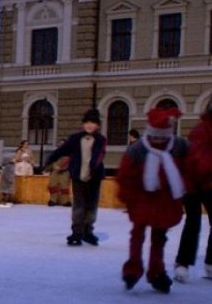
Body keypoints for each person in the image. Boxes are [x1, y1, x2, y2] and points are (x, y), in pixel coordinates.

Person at [117, 107, 189, 293]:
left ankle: (156, 272)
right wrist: (128, 197)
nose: (158, 140)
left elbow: (189, 169)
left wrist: (187, 189)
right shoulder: (138, 150)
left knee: (159, 237)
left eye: (162, 137)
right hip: (142, 199)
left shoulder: (179, 147)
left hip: (164, 201)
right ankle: (133, 269)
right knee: (137, 235)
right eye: (155, 136)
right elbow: (126, 175)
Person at [44, 109, 107, 247]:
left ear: (97, 125)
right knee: (79, 205)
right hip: (78, 176)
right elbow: (62, 150)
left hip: (94, 177)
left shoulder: (101, 140)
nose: (89, 125)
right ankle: (77, 232)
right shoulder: (75, 138)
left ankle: (88, 231)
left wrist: (92, 166)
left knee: (91, 205)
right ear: (83, 124)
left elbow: (99, 154)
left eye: (93, 123)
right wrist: (49, 159)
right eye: (87, 122)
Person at [173, 100, 212, 283]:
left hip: (207, 182)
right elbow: (198, 159)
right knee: (193, 222)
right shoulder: (202, 129)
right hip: (193, 183)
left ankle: (210, 263)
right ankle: (182, 264)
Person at [45, 139, 71, 207]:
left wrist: (66, 167)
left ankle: (65, 201)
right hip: (55, 171)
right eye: (60, 144)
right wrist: (54, 166)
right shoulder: (55, 153)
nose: (61, 145)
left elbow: (72, 163)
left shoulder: (69, 153)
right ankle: (53, 200)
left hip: (65, 172)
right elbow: (49, 161)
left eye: (63, 144)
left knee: (64, 187)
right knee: (53, 186)